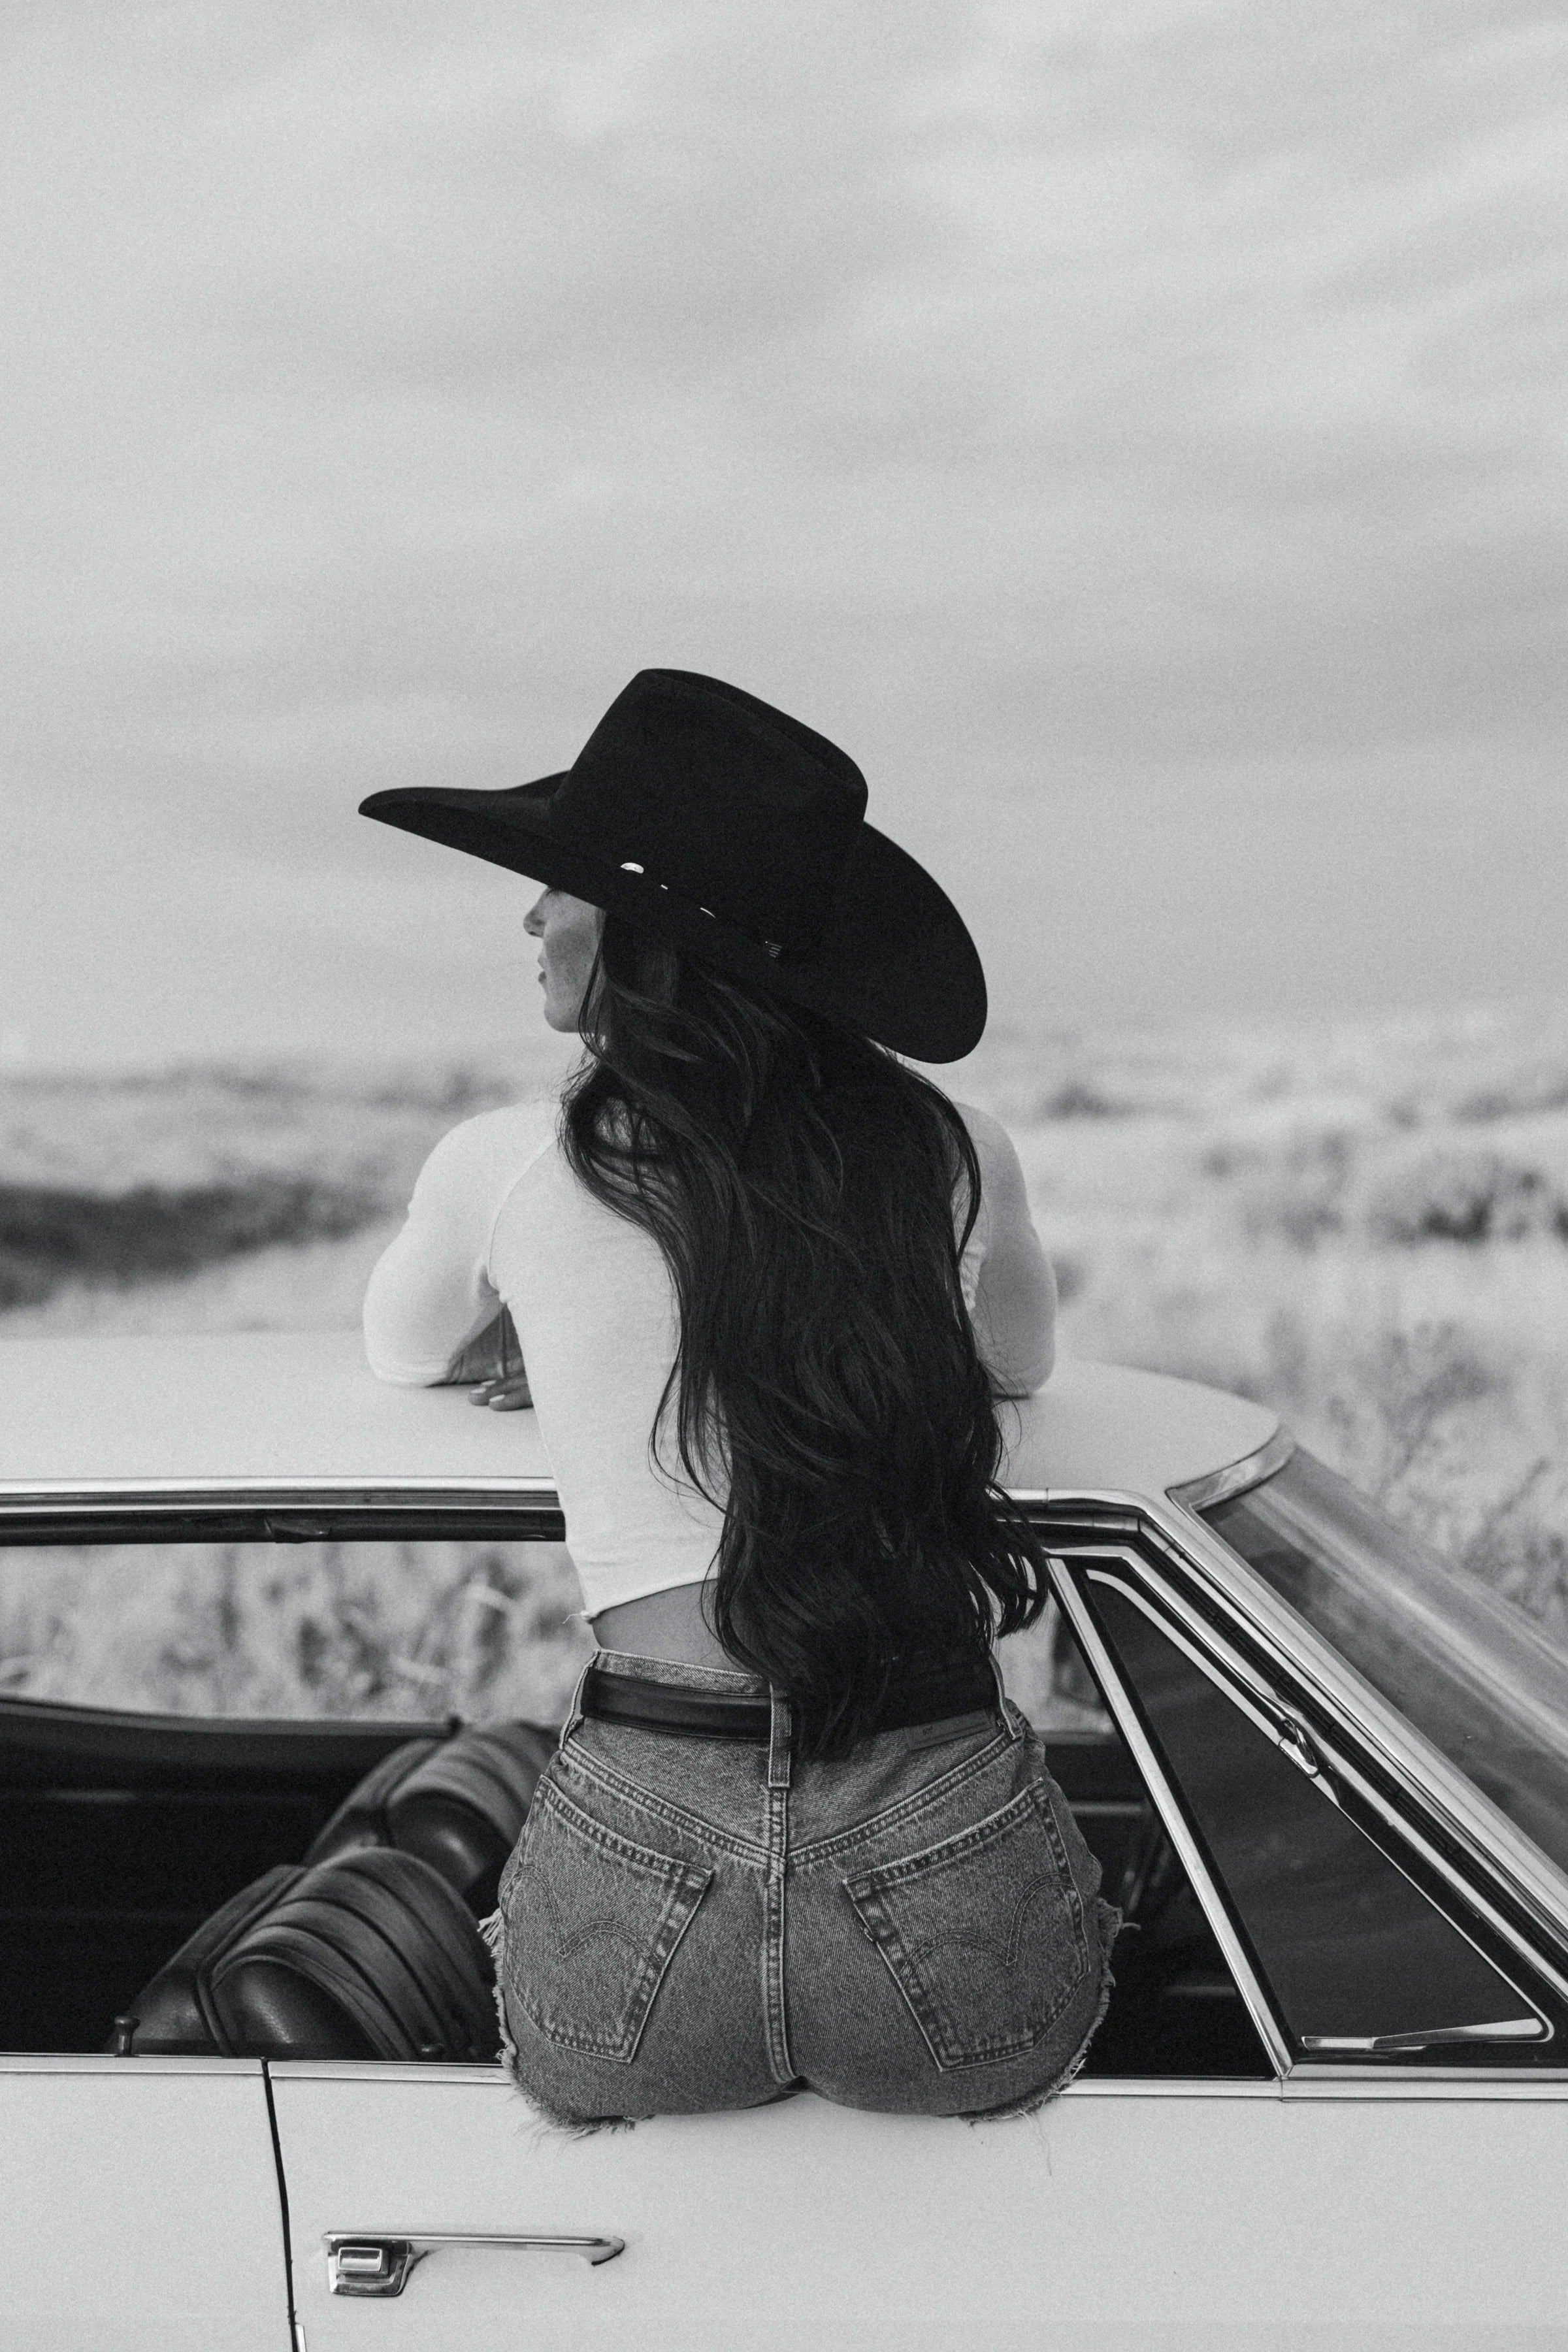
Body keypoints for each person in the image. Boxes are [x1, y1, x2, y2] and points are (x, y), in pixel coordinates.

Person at [359, 668, 1118, 2127]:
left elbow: (405, 1352)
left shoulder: (509, 1163)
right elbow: (1019, 1366)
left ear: (643, 937)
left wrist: (559, 1329)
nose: (529, 920)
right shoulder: (951, 1150)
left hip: (649, 1846)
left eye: (557, 892)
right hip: (940, 1839)